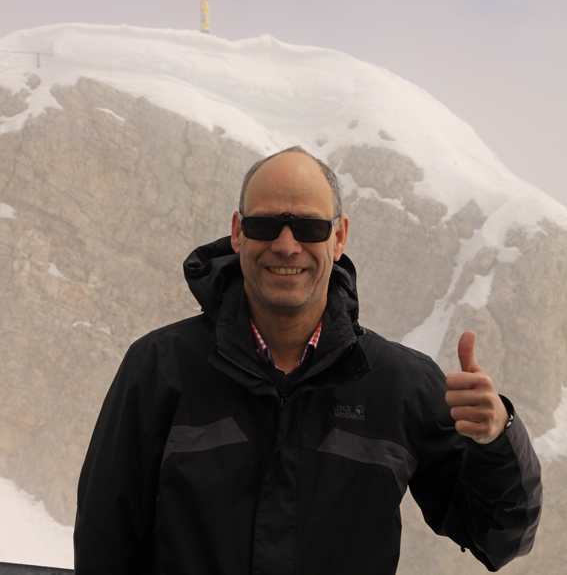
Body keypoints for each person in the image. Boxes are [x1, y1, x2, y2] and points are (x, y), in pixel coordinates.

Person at [74, 146, 542, 575]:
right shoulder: (158, 369)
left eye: (309, 227)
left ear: (338, 238)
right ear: (238, 233)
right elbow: (104, 545)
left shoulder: (399, 384)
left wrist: (497, 437)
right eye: (264, 225)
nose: (285, 244)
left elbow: (499, 538)